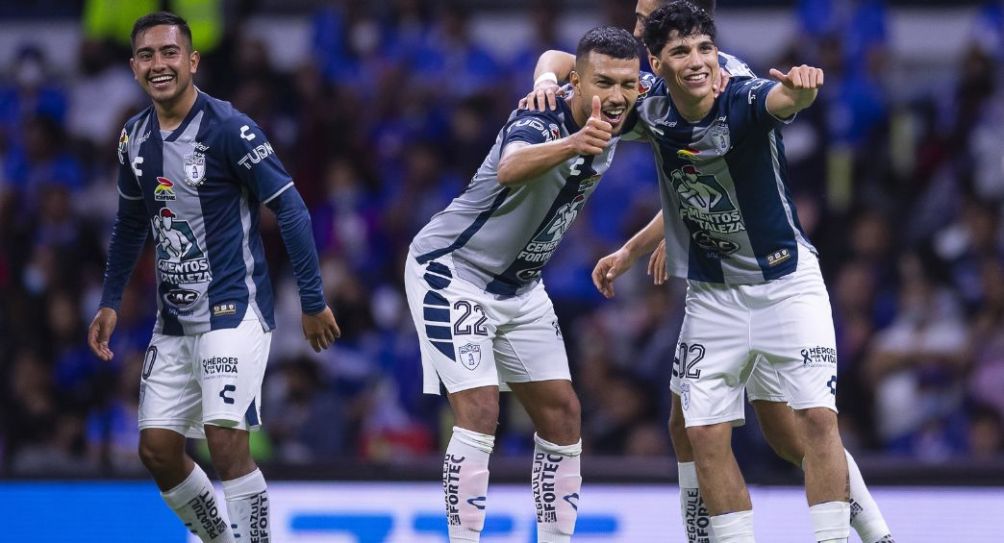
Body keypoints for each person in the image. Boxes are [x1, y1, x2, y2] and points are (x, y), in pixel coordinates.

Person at [525, 2, 895, 542]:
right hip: (713, 293)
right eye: (640, 15)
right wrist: (640, 244)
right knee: (700, 430)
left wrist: (805, 87)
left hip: (783, 282)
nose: (636, 20)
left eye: (647, 12)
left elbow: (786, 97)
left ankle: (870, 535)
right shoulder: (649, 102)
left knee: (807, 426)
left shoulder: (736, 88)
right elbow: (688, 174)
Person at [86, 12, 341, 543]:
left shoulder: (230, 128)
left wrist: (313, 301)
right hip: (174, 321)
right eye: (148, 55)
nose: (160, 64)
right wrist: (111, 301)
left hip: (234, 308)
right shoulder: (133, 140)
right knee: (156, 450)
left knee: (225, 441)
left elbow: (291, 209)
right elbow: (132, 222)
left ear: (192, 60)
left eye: (170, 53)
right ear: (134, 67)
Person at [404, 26, 641, 543]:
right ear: (576, 83)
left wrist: (545, 69)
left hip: (522, 288)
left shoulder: (620, 105)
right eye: (603, 83)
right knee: (481, 409)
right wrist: (573, 141)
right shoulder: (540, 114)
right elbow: (511, 168)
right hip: (452, 271)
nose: (617, 95)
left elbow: (557, 54)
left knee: (563, 413)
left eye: (628, 83)